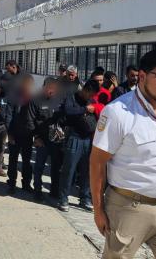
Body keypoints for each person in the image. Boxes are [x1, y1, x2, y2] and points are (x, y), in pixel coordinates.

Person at [90, 49, 156, 258]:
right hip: (129, 207)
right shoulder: (118, 112)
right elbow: (97, 163)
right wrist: (98, 210)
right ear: (141, 76)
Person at [56, 79, 103, 212]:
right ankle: (63, 198)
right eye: (91, 94)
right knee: (69, 170)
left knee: (87, 171)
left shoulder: (92, 101)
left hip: (88, 139)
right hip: (74, 138)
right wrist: (84, 109)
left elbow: (98, 112)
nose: (91, 97)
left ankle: (85, 197)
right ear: (86, 89)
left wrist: (93, 109)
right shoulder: (72, 96)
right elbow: (68, 111)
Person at [29, 77, 64, 201]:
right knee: (39, 167)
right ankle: (37, 190)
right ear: (45, 87)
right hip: (42, 140)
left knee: (56, 167)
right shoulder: (35, 100)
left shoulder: (59, 99)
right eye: (50, 89)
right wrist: (36, 137)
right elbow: (31, 121)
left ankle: (54, 191)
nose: (53, 92)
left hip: (56, 141)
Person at [6, 74, 36, 195]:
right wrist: (10, 134)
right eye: (26, 84)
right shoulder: (14, 97)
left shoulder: (34, 99)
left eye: (30, 85)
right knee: (13, 160)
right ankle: (12, 183)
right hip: (15, 134)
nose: (28, 87)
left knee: (26, 161)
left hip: (28, 135)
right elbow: (8, 116)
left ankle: (26, 183)